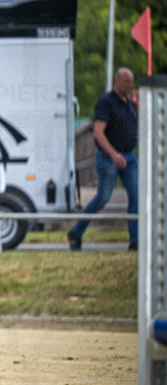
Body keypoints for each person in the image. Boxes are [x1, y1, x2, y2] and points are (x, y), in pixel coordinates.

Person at [68, 67, 138, 251]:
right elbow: (98, 132)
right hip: (109, 157)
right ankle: (76, 231)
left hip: (129, 157)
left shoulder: (129, 103)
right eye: (126, 82)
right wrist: (114, 154)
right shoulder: (106, 102)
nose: (130, 85)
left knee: (136, 197)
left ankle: (135, 241)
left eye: (131, 82)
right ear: (116, 81)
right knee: (103, 198)